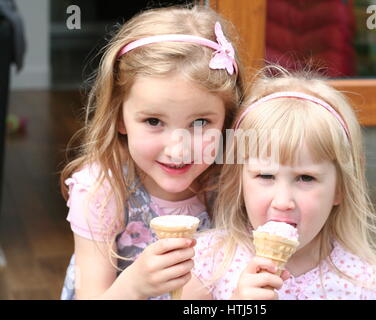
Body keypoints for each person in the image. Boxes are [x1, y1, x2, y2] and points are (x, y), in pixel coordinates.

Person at [60, 5, 244, 300]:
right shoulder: (101, 191)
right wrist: (134, 286)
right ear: (119, 117)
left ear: (227, 120)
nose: (177, 148)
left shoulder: (235, 182)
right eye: (154, 121)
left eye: (200, 123)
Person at [182, 67, 376, 300]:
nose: (283, 201)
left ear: (340, 188)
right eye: (266, 176)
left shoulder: (362, 282)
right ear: (240, 181)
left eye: (306, 178)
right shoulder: (206, 262)